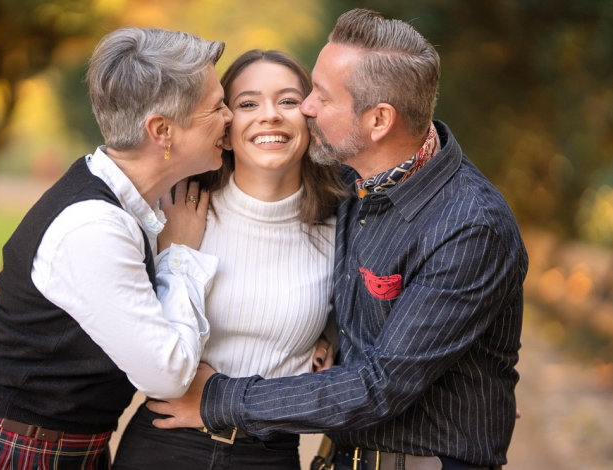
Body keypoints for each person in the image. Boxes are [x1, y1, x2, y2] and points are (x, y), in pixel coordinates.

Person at [147, 9, 528, 470]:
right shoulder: (358, 186)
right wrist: (331, 336)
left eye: (320, 98)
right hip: (341, 457)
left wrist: (217, 396)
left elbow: (381, 383)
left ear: (378, 121)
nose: (305, 109)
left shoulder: (468, 225)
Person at [0, 26, 232, 469]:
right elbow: (167, 374)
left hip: (62, 444)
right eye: (216, 106)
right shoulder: (95, 225)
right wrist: (179, 255)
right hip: (12, 450)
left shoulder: (119, 198)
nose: (230, 118)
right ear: (162, 130)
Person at [112, 49, 345, 470]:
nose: (270, 115)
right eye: (248, 103)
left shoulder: (339, 232)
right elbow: (97, 285)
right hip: (166, 447)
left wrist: (330, 336)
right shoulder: (177, 212)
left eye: (289, 100)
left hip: (269, 455)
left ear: (311, 115)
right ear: (225, 123)